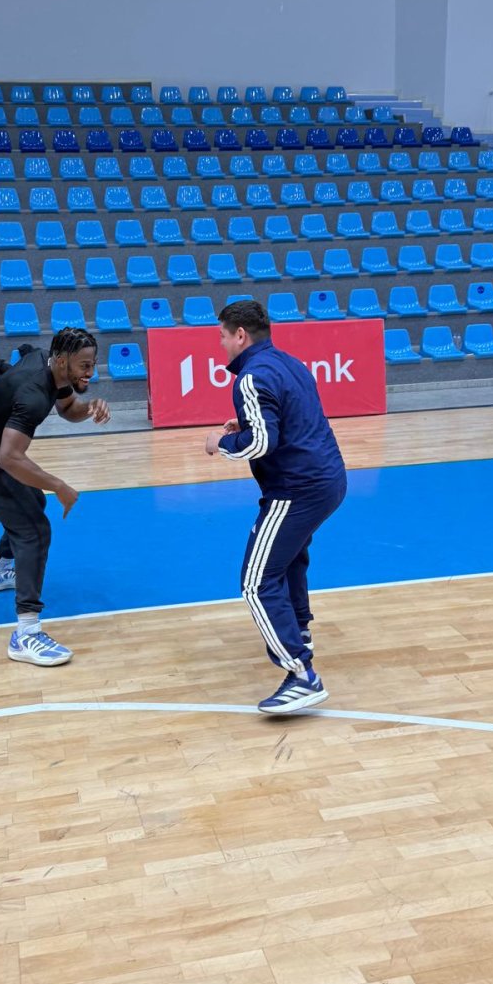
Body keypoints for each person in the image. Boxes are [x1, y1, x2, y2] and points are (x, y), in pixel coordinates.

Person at [204, 300, 346, 715]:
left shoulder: (251, 376)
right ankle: (299, 633)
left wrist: (221, 443)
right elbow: (291, 418)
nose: (221, 344)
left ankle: (301, 675)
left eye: (222, 336)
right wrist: (248, 425)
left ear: (240, 335)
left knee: (255, 581)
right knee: (287, 562)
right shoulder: (290, 364)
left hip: (296, 488)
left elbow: (262, 442)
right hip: (328, 480)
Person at [0, 328, 110, 666]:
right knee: (34, 530)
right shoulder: (33, 393)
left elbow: (68, 408)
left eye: (93, 364)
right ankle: (26, 633)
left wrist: (89, 408)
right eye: (84, 365)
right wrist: (59, 485)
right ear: (62, 361)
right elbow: (9, 458)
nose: (90, 372)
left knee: (33, 502)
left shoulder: (52, 365)